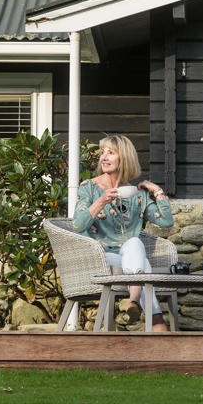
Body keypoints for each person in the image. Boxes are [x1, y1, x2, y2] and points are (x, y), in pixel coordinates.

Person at [72, 134, 173, 331]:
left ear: (124, 157)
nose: (104, 157)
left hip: (128, 256)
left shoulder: (137, 194)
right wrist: (101, 201)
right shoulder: (89, 188)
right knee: (142, 264)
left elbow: (166, 222)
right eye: (102, 153)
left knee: (135, 244)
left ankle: (134, 301)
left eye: (111, 153)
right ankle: (155, 319)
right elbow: (77, 225)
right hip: (101, 255)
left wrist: (157, 191)